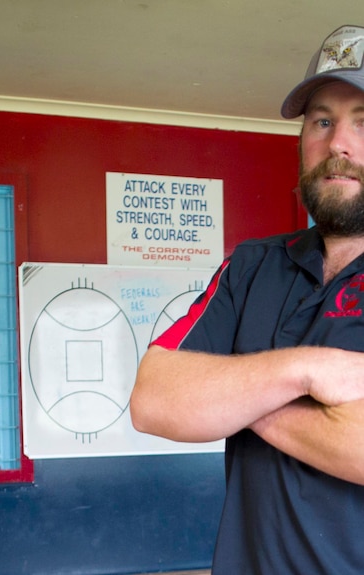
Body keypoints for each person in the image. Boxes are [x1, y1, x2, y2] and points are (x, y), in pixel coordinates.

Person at [129, 24, 364, 574]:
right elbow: (153, 400)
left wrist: (235, 394)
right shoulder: (251, 265)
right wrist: (309, 370)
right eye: (322, 122)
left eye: (362, 121)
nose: (339, 145)